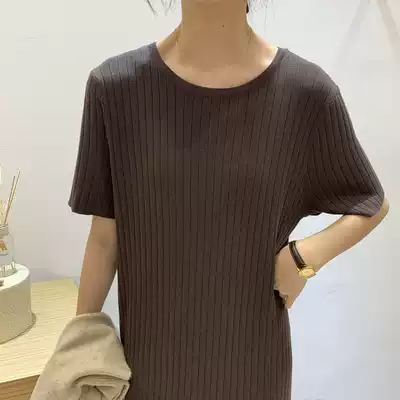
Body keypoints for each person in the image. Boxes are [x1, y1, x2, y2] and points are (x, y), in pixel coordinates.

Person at [68, 0, 389, 399]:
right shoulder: (114, 89)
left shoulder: (306, 94)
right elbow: (104, 238)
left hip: (253, 371)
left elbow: (371, 202)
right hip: (149, 371)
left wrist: (304, 258)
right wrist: (74, 361)